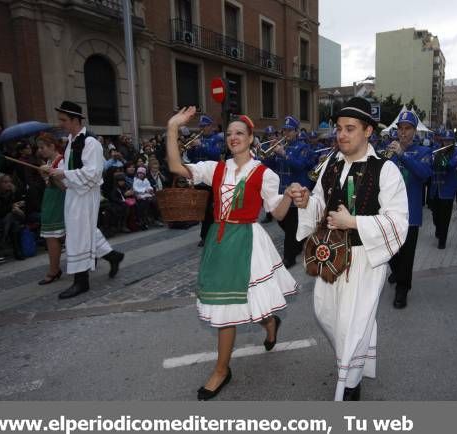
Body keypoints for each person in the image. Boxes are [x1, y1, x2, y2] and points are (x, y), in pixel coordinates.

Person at [166, 107, 298, 401]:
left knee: (241, 303)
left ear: (252, 138)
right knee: (234, 303)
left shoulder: (265, 174)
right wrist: (173, 127)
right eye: (229, 134)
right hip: (220, 239)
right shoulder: (216, 168)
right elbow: (176, 166)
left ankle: (222, 369)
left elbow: (275, 212)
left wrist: (288, 196)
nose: (233, 137)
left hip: (248, 241)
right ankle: (267, 326)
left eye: (240, 133)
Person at [294, 97, 409, 401]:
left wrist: (353, 222)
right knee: (325, 313)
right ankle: (351, 360)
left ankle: (350, 384)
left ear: (368, 131)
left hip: (364, 260)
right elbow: (321, 203)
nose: (341, 135)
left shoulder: (386, 170)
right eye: (339, 129)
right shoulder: (331, 164)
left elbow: (398, 222)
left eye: (349, 129)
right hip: (330, 257)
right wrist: (307, 201)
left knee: (353, 323)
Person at [47, 101, 125, 299]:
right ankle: (113, 256)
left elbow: (93, 173)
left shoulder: (91, 142)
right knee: (85, 231)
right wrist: (52, 170)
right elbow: (67, 165)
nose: (61, 123)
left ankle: (81, 282)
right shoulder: (72, 141)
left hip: (85, 193)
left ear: (75, 120)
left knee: (78, 235)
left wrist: (63, 173)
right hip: (74, 192)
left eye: (64, 120)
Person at [384, 111, 432, 309]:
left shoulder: (423, 152)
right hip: (389, 212)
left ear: (414, 131)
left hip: (411, 212)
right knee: (390, 251)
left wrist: (402, 155)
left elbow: (424, 174)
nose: (403, 133)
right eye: (400, 129)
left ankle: (402, 289)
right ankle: (396, 272)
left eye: (407, 129)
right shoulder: (389, 151)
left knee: (407, 254)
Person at [265, 115, 314, 268]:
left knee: (291, 226)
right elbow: (270, 165)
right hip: (281, 192)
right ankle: (301, 240)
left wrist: (284, 155)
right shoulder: (282, 146)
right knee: (281, 221)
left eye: (289, 131)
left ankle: (289, 258)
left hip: (295, 190)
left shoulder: (303, 147)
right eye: (284, 130)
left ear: (297, 132)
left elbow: (300, 166)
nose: (286, 133)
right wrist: (269, 154)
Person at [186, 114, 225, 247]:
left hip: (211, 179)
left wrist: (201, 145)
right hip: (199, 180)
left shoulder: (216, 139)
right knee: (202, 209)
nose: (202, 129)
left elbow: (215, 154)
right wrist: (191, 148)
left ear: (210, 127)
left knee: (211, 209)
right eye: (200, 127)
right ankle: (206, 235)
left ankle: (209, 235)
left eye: (204, 127)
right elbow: (191, 157)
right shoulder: (197, 139)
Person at [37, 133, 66, 285]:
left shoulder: (62, 161)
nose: (40, 150)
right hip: (49, 200)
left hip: (59, 202)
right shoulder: (49, 161)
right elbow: (49, 184)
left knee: (52, 237)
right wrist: (44, 176)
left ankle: (54, 270)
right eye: (39, 148)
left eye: (42, 147)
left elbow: (65, 186)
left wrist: (51, 174)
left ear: (52, 146)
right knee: (52, 237)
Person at [430, 131, 457, 249]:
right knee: (435, 215)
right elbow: (430, 165)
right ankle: (438, 230)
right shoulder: (435, 150)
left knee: (445, 217)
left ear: (453, 141)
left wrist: (441, 155)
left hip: (447, 190)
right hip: (435, 188)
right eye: (445, 140)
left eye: (449, 140)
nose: (446, 142)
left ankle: (442, 241)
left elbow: (449, 166)